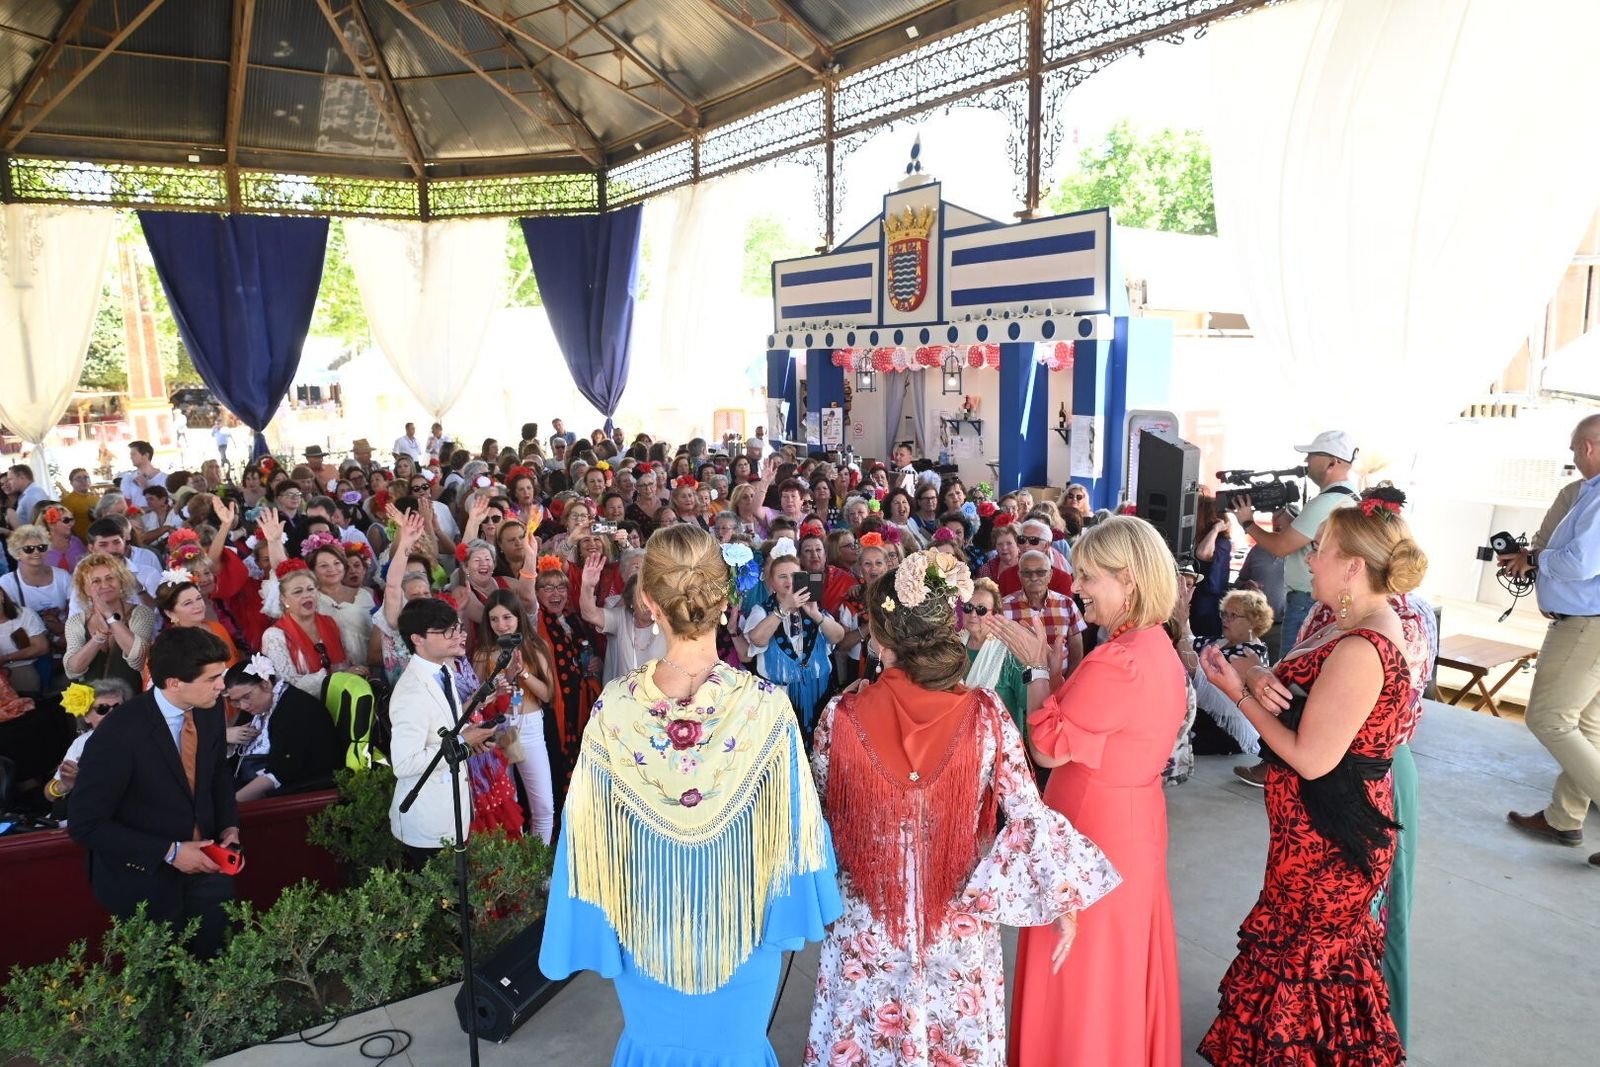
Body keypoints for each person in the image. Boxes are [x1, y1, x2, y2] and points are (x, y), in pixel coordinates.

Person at [805, 549, 1119, 1067]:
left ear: (881, 640)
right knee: (957, 1040)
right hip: (955, 917)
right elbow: (1026, 812)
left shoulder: (841, 715)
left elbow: (819, 815)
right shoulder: (985, 712)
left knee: (865, 1038)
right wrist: (1063, 899)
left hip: (869, 916)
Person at [540, 524, 840, 1065]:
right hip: (743, 931)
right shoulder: (765, 706)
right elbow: (796, 834)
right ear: (726, 602)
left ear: (649, 603)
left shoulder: (615, 707)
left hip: (647, 928)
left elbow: (586, 837)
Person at [1196, 493, 1426, 1067]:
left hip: (1329, 841)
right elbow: (1302, 698)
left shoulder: (1363, 645)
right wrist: (1259, 673)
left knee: (1311, 966)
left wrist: (1239, 695)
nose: (1309, 560)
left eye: (1320, 550)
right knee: (1298, 956)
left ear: (1353, 567)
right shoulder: (1348, 624)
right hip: (1311, 834)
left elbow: (1312, 758)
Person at [1002, 515, 1187, 1067]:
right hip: (1128, 822)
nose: (1076, 586)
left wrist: (1035, 669)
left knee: (1086, 973)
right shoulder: (1152, 647)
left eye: (1087, 576)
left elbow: (1048, 748)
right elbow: (1084, 721)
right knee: (1113, 968)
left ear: (1127, 578)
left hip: (1095, 834)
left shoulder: (1119, 660)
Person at [67, 627, 239, 958]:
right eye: (213, 678)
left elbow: (217, 773)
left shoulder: (209, 708)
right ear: (174, 683)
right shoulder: (117, 733)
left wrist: (229, 824)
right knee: (164, 981)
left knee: (220, 968)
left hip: (210, 868)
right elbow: (85, 824)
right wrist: (170, 852)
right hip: (144, 883)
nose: (222, 686)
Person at [1502, 413, 1600, 872]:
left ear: (1589, 447)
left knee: (1549, 719)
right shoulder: (1587, 493)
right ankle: (1564, 818)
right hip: (1587, 623)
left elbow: (1580, 564)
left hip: (1586, 626)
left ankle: (1567, 817)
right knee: (1587, 726)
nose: (1573, 455)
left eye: (1575, 447)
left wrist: (1537, 559)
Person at [1228, 430, 1359, 658]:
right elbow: (1305, 538)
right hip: (1321, 597)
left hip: (1305, 600)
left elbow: (1280, 547)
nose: (1307, 460)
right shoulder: (1347, 495)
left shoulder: (1326, 502)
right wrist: (1285, 517)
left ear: (1332, 462)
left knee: (1291, 668)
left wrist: (1247, 522)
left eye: (1312, 455)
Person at [388, 597, 493, 868]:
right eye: (446, 631)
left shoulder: (443, 670)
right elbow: (404, 764)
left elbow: (447, 728)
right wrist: (462, 741)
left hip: (451, 812)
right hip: (427, 821)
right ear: (417, 639)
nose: (457, 636)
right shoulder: (410, 692)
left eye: (457, 627)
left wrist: (470, 736)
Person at [474, 589, 558, 842]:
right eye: (494, 619)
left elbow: (547, 695)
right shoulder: (483, 654)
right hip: (497, 730)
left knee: (544, 806)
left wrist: (522, 674)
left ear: (518, 617)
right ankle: (514, 861)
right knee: (507, 803)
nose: (501, 625)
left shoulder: (536, 647)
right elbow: (476, 702)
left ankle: (538, 861)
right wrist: (499, 684)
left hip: (529, 726)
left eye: (507, 617)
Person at [741, 542, 846, 736]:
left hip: (819, 694)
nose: (789, 581)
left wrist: (816, 615)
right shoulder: (762, 610)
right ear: (772, 583)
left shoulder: (812, 606)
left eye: (794, 576)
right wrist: (783, 609)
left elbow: (838, 636)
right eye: (782, 576)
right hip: (779, 697)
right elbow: (757, 640)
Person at [223, 654, 343, 802]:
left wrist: (232, 805)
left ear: (266, 684)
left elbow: (280, 772)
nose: (243, 706)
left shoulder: (296, 708)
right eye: (236, 701)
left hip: (296, 792)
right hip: (248, 784)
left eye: (246, 696)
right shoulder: (256, 709)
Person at [64, 553, 158, 690]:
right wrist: (98, 637)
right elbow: (72, 669)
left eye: (110, 578)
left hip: (133, 696)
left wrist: (109, 616)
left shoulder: (142, 613)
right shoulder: (76, 621)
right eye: (96, 581)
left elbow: (140, 658)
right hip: (92, 700)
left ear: (121, 582)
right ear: (85, 589)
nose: (105, 585)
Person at [45, 678, 134, 819]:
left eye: (118, 708)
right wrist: (65, 785)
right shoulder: (81, 743)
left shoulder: (140, 737)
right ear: (86, 716)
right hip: (85, 815)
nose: (112, 714)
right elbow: (48, 794)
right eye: (102, 709)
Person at [1001, 549, 1085, 682]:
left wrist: (1067, 685)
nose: (1034, 578)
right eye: (1027, 573)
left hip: (1061, 683)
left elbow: (1077, 652)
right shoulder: (1003, 607)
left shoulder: (1067, 604)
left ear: (1050, 575)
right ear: (1019, 575)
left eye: (1040, 572)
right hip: (1020, 686)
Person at [962, 576, 1030, 734]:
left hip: (1001, 743)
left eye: (981, 610)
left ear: (996, 614)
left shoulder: (1010, 653)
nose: (973, 614)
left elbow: (1030, 703)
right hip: (959, 742)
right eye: (968, 607)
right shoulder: (954, 647)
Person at [1190, 491, 1232, 638]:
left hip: (1207, 608)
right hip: (1198, 603)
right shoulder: (1204, 540)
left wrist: (1215, 529)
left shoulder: (1221, 543)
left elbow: (1203, 554)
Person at [119, 440, 167, 509]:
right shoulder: (128, 479)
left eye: (134, 454)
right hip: (136, 515)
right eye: (130, 455)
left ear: (146, 455)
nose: (131, 457)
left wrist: (146, 488)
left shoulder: (165, 479)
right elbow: (125, 506)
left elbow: (167, 505)